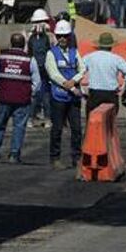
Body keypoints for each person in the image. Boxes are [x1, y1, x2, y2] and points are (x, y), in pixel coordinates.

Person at [0, 32, 41, 163]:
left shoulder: (1, 57)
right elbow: (37, 82)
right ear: (24, 45)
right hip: (22, 100)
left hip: (4, 98)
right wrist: (30, 93)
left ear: (11, 44)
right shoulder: (30, 59)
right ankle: (14, 154)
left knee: (0, 125)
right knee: (19, 127)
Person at [44, 20, 86, 170]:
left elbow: (82, 69)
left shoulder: (75, 53)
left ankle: (77, 157)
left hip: (73, 97)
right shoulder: (51, 53)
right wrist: (66, 84)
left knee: (76, 129)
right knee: (57, 129)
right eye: (59, 36)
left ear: (69, 36)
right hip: (58, 97)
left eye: (65, 36)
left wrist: (73, 81)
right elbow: (53, 73)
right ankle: (55, 158)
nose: (62, 39)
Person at [80, 31, 126, 111]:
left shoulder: (89, 57)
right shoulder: (117, 59)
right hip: (111, 94)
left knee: (92, 120)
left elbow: (78, 72)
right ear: (111, 46)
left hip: (94, 94)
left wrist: (82, 90)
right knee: (110, 121)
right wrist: (122, 89)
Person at [26, 9, 54, 126]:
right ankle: (47, 118)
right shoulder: (51, 36)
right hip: (45, 66)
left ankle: (31, 118)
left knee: (34, 93)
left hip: (33, 66)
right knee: (46, 93)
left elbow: (27, 51)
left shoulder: (29, 35)